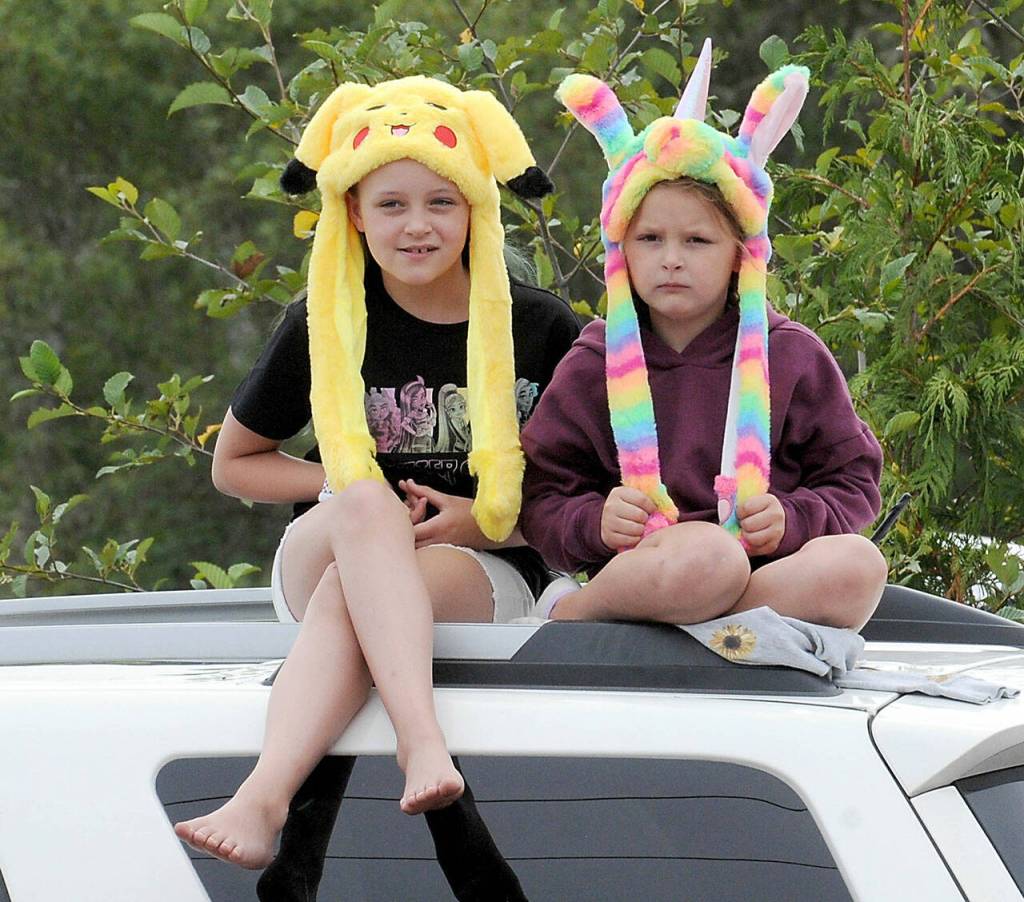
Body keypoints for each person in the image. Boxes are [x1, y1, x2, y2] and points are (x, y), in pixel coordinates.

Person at [173, 75, 579, 870]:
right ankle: (420, 740)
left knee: (361, 581)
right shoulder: (325, 320)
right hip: (333, 536)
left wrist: (479, 516)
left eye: (442, 202)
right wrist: (342, 490)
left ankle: (263, 799)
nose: (417, 225)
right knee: (364, 513)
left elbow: (584, 495)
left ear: (476, 209)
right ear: (353, 213)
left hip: (478, 560)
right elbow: (236, 465)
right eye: (391, 204)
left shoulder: (539, 327)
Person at [520, 41, 888, 631]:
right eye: (650, 240)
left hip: (763, 575)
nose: (671, 260)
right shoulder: (595, 361)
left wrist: (793, 519)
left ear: (741, 252)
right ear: (621, 250)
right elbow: (542, 491)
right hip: (652, 570)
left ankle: (703, 631)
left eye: (696, 242)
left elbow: (852, 477)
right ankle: (576, 616)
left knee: (857, 565)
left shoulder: (788, 353)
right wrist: (595, 522)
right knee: (707, 557)